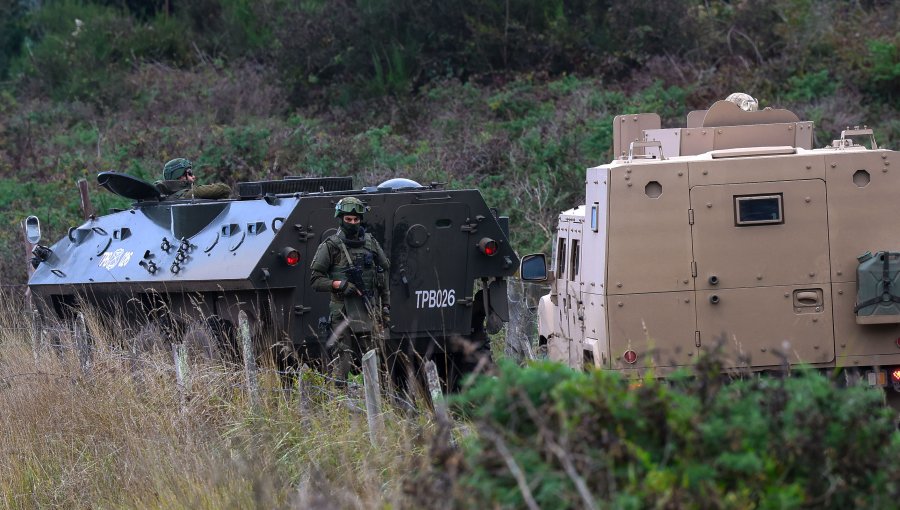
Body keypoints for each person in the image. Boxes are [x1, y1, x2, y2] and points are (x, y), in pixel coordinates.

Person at [310, 196, 390, 376]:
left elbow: (383, 274)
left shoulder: (371, 243)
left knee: (374, 360)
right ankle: (340, 400)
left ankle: (375, 400)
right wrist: (339, 284)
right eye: (348, 219)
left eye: (356, 219)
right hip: (342, 311)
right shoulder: (331, 246)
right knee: (342, 360)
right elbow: (315, 279)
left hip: (368, 309)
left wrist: (385, 307)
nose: (353, 223)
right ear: (341, 219)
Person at [155, 158, 231, 200]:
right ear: (180, 177)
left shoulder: (164, 198)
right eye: (190, 173)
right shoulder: (191, 194)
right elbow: (224, 189)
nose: (193, 176)